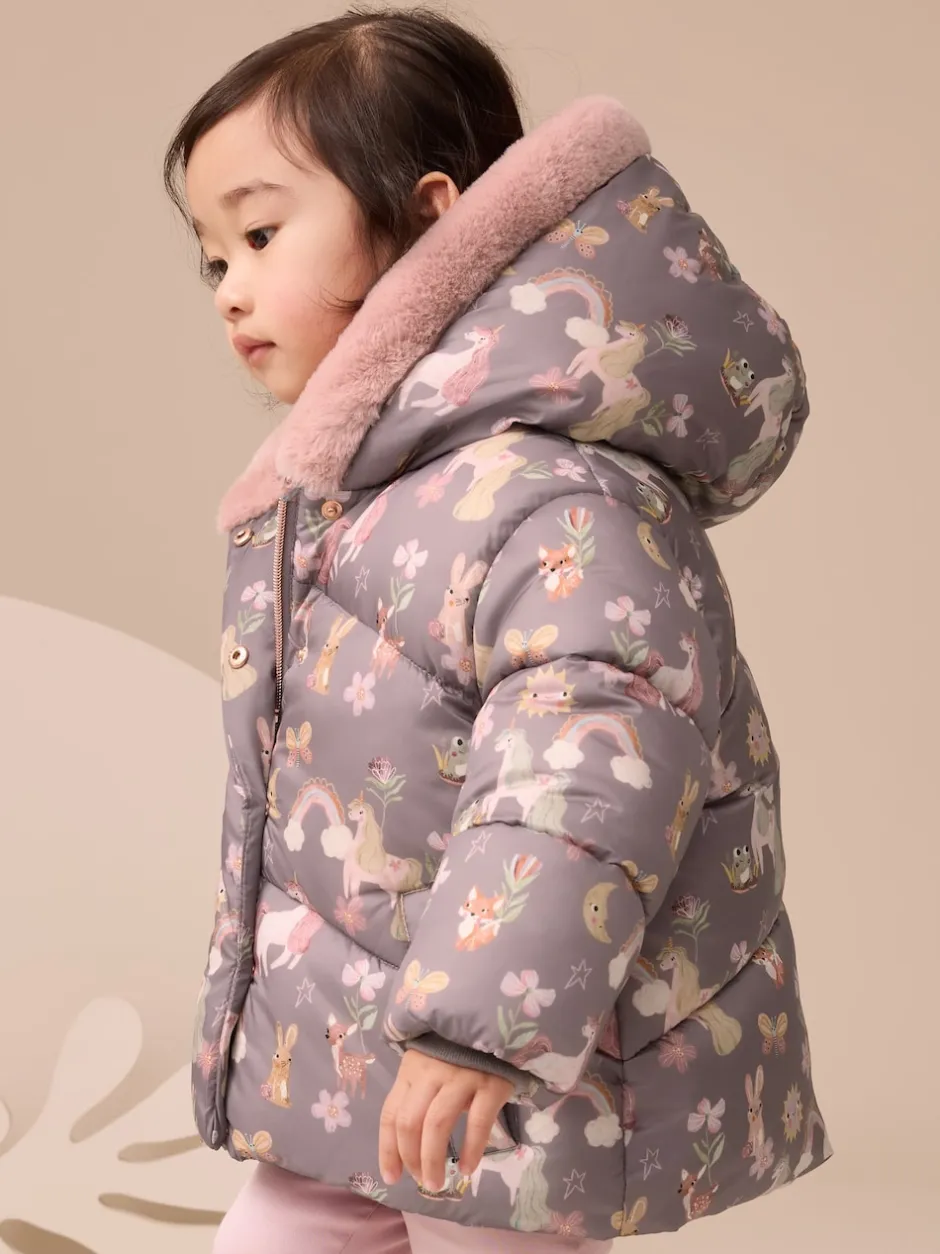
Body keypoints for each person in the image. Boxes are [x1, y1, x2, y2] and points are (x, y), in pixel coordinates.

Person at [164, 6, 832, 1252]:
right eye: (212, 260)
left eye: (258, 234)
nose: (232, 288)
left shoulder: (553, 492)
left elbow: (585, 769)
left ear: (429, 216)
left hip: (513, 1068)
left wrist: (482, 1027)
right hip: (356, 1063)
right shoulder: (366, 502)